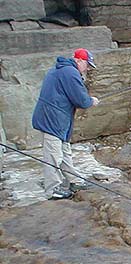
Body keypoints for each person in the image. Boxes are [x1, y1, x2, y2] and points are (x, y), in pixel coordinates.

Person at [32, 48, 100, 200]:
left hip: (57, 119)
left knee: (64, 151)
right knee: (53, 156)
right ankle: (52, 190)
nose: (88, 68)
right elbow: (81, 100)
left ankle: (74, 181)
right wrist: (91, 101)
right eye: (87, 65)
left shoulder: (62, 69)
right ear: (79, 61)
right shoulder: (70, 72)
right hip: (52, 120)